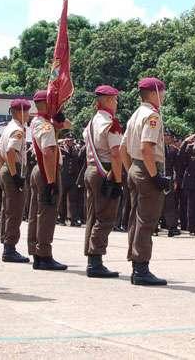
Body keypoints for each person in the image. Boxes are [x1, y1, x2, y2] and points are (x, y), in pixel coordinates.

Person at [119, 77, 170, 286]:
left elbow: (123, 149)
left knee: (136, 219)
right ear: (153, 93)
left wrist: (131, 168)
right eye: (162, 91)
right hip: (146, 169)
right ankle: (141, 268)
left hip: (135, 168)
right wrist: (154, 175)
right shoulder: (152, 116)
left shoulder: (135, 116)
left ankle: (136, 265)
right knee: (146, 221)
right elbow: (146, 148)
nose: (164, 95)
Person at [82, 85, 123, 278]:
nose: (116, 103)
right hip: (105, 171)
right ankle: (96, 260)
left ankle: (92, 258)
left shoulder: (91, 122)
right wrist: (118, 180)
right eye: (114, 99)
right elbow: (116, 154)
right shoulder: (111, 123)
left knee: (93, 216)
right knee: (105, 217)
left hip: (91, 169)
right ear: (106, 100)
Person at [28, 90, 71, 271]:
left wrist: (58, 118)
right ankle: (44, 254)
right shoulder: (44, 125)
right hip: (48, 171)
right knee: (47, 213)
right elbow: (49, 151)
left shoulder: (41, 122)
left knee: (38, 213)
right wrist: (51, 181)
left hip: (42, 170)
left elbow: (68, 124)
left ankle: (37, 251)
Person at [0, 98, 31, 263]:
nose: (29, 114)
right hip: (13, 169)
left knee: (7, 209)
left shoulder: (7, 128)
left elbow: (0, 155)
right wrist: (14, 175)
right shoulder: (18, 130)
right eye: (27, 111)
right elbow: (11, 151)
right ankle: (10, 248)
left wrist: (5, 171)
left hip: (6, 168)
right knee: (15, 211)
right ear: (20, 112)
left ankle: (7, 243)